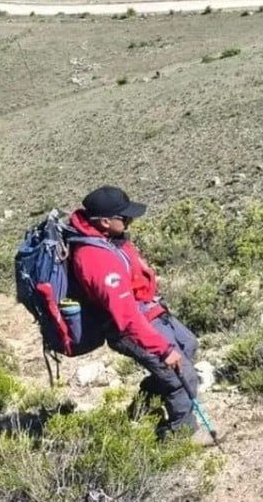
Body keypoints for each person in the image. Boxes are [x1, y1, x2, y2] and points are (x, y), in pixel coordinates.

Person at [68, 185, 206, 442]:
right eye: (124, 217)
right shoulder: (96, 258)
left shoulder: (108, 239)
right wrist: (163, 350)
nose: (130, 220)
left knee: (187, 344)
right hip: (128, 325)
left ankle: (143, 407)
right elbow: (125, 316)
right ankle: (182, 437)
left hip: (148, 311)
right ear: (105, 221)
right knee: (180, 374)